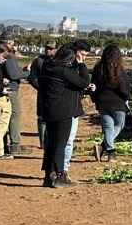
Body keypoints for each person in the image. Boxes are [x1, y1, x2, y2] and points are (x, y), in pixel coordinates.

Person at [35, 41, 93, 188]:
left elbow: (67, 87)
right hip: (62, 112)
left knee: (52, 144)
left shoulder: (48, 67)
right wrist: (81, 65)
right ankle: (59, 176)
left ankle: (49, 176)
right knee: (60, 145)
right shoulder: (63, 70)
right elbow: (84, 82)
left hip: (50, 110)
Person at [89, 43, 132, 157]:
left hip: (102, 103)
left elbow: (93, 85)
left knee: (108, 126)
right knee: (118, 125)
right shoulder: (119, 70)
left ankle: (110, 152)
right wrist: (128, 96)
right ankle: (106, 148)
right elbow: (123, 88)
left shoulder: (98, 69)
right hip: (118, 103)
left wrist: (95, 98)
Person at [28, 41, 58, 159]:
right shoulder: (39, 61)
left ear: (56, 49)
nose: (48, 51)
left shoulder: (59, 61)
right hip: (43, 93)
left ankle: (51, 141)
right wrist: (39, 88)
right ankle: (42, 142)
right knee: (41, 117)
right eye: (47, 48)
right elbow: (31, 76)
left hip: (56, 94)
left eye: (51, 49)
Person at [0, 36, 26, 156]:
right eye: (13, 41)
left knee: (2, 117)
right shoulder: (9, 56)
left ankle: (1, 144)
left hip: (2, 88)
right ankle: (15, 145)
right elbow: (13, 74)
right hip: (11, 89)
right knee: (15, 115)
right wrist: (27, 73)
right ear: (10, 42)